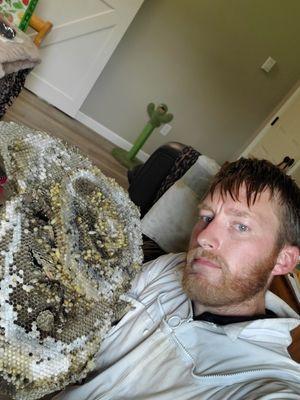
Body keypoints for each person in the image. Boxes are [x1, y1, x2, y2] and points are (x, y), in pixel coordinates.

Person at [52, 158, 300, 400]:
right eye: (207, 217)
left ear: (283, 260)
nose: (205, 237)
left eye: (241, 226)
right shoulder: (170, 267)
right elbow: (87, 322)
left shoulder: (268, 381)